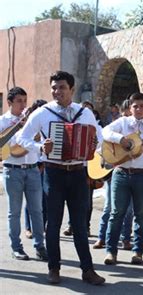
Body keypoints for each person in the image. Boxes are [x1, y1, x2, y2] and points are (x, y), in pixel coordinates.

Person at [18, 71, 105, 285]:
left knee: (79, 224)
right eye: (54, 87)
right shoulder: (43, 112)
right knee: (54, 224)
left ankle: (88, 270)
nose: (57, 92)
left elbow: (99, 138)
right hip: (54, 172)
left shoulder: (84, 113)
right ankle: (54, 268)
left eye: (62, 87)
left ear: (72, 90)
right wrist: (41, 147)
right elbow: (22, 137)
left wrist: (93, 146)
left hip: (78, 173)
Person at [102, 92, 143, 265]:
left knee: (141, 214)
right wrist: (120, 139)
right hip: (121, 172)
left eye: (141, 106)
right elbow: (105, 131)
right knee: (116, 213)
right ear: (130, 108)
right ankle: (111, 252)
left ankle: (138, 252)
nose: (138, 109)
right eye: (135, 106)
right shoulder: (122, 123)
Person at [1, 88, 48, 262]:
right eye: (19, 101)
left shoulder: (32, 121)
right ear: (10, 103)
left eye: (25, 100)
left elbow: (41, 141)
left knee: (37, 210)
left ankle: (40, 247)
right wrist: (16, 129)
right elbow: (5, 146)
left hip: (33, 169)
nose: (23, 105)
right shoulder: (3, 121)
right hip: (12, 170)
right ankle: (16, 247)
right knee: (14, 212)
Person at [92, 101, 134, 251]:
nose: (129, 117)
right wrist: (106, 158)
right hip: (111, 173)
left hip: (127, 173)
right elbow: (99, 149)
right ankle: (102, 237)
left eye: (131, 115)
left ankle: (126, 238)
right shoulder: (112, 130)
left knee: (129, 209)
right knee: (109, 207)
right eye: (126, 114)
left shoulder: (136, 134)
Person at [23, 99, 48, 240]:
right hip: (32, 165)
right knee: (31, 200)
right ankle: (28, 227)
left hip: (44, 165)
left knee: (43, 199)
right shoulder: (30, 127)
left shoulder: (46, 125)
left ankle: (41, 226)